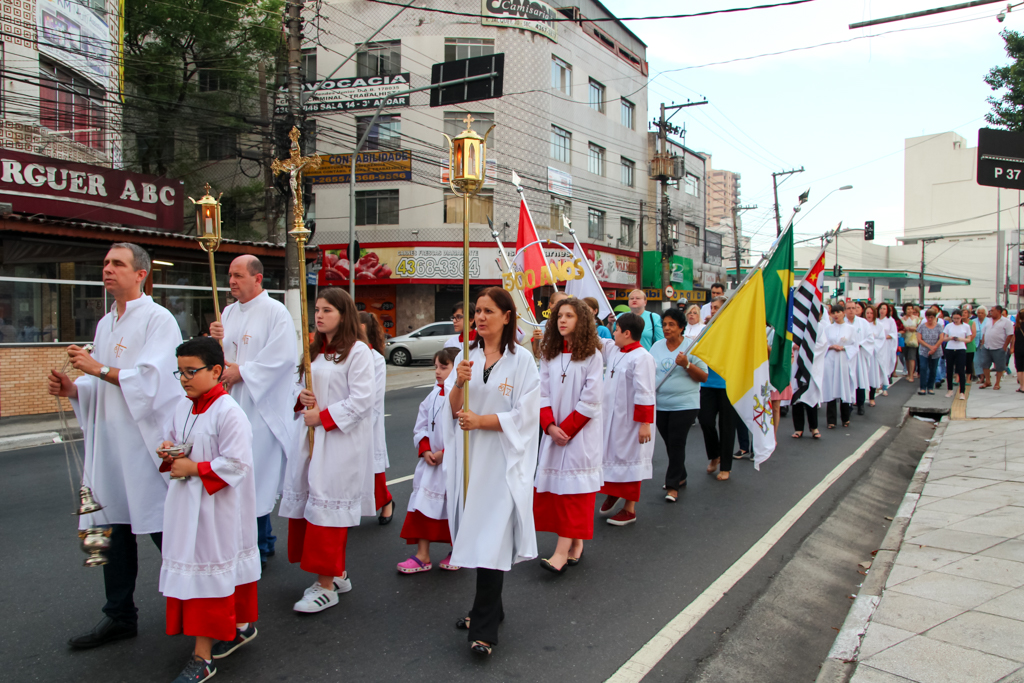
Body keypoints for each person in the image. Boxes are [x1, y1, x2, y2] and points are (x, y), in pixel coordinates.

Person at [48, 243, 184, 649]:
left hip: (143, 444)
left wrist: (98, 367)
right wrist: (75, 388)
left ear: (141, 274)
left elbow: (153, 381)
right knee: (113, 530)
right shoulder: (106, 323)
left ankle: (199, 606)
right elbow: (101, 382)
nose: (107, 269)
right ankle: (120, 614)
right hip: (109, 444)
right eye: (106, 263)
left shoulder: (159, 320)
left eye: (118, 264)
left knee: (165, 530)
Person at [443, 287, 540, 656]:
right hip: (472, 461)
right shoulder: (466, 357)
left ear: (506, 316)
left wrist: (482, 421)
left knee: (493, 540)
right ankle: (491, 610)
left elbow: (526, 416)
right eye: (477, 311)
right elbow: (453, 409)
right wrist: (458, 382)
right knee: (478, 534)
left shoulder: (522, 361)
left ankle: (483, 630)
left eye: (488, 311)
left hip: (502, 461)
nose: (480, 317)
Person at [158, 337, 258, 683]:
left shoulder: (229, 412)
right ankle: (240, 627)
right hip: (187, 503)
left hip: (217, 509)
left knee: (208, 575)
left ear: (216, 371)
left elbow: (237, 464)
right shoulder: (183, 406)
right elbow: (176, 439)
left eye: (191, 371)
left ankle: (203, 658)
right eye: (180, 372)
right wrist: (169, 450)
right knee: (213, 570)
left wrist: (195, 468)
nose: (184, 379)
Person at [280, 288, 375, 614]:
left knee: (327, 511)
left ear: (343, 314)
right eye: (317, 310)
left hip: (338, 443)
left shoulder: (357, 352)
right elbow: (297, 387)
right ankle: (337, 573)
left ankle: (325, 586)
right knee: (311, 504)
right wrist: (301, 397)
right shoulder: (315, 351)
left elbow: (362, 400)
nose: (319, 316)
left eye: (327, 310)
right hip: (311, 440)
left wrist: (321, 417)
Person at [209, 255, 298, 569]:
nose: (231, 281)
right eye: (230, 276)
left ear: (257, 279)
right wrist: (215, 341)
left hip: (260, 407)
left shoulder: (276, 312)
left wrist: (243, 372)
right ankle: (244, 540)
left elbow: (284, 358)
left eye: (238, 275)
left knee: (254, 474)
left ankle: (260, 543)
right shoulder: (228, 312)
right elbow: (223, 355)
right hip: (230, 401)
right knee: (234, 471)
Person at [534, 297, 604, 572]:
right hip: (554, 433)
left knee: (574, 494)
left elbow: (591, 399)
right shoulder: (549, 353)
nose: (562, 320)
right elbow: (541, 393)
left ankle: (561, 554)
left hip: (580, 435)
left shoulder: (593, 355)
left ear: (582, 320)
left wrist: (567, 430)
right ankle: (576, 544)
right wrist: (550, 427)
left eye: (569, 316)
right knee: (560, 493)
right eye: (559, 316)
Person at [398, 347, 461, 573]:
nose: (437, 372)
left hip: (452, 464)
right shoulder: (432, 396)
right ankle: (422, 555)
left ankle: (458, 551)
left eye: (444, 367)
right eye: (436, 367)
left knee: (454, 509)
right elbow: (421, 425)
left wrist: (445, 452)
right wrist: (425, 449)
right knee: (423, 508)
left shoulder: (464, 398)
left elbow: (464, 433)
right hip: (430, 464)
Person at [597, 312, 656, 521]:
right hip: (611, 418)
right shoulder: (615, 349)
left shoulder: (642, 357)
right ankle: (614, 492)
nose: (613, 333)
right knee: (611, 455)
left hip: (631, 421)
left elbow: (645, 391)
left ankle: (629, 509)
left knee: (631, 459)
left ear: (627, 333)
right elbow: (597, 341)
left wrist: (645, 423)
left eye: (617, 329)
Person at [651, 307, 708, 501]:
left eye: (672, 325)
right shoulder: (656, 346)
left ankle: (672, 485)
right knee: (670, 443)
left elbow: (704, 376)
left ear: (681, 327)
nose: (667, 328)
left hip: (685, 405)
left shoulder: (692, 347)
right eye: (664, 325)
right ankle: (681, 475)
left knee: (676, 442)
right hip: (661, 404)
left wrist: (687, 365)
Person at [359, 312, 394, 524]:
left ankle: (386, 500)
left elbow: (375, 397)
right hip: (346, 420)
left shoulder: (376, 359)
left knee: (372, 468)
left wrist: (360, 424)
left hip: (367, 421)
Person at [698, 296, 737, 480]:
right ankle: (714, 455)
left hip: (728, 384)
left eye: (717, 308)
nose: (713, 311)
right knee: (705, 421)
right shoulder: (707, 329)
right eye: (712, 307)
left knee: (727, 426)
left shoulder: (734, 329)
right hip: (708, 383)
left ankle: (726, 467)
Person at [792, 306, 829, 439]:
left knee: (811, 397)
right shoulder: (796, 326)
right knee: (797, 397)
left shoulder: (818, 327)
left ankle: (814, 427)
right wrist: (793, 346)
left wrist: (803, 348)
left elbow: (822, 345)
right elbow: (789, 341)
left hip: (811, 367)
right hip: (796, 365)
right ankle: (798, 428)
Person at [822, 303, 855, 428]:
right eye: (833, 313)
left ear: (843, 313)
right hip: (830, 359)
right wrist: (831, 346)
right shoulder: (828, 329)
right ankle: (831, 420)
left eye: (838, 312)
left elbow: (855, 345)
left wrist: (844, 348)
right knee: (830, 387)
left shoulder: (850, 329)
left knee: (843, 386)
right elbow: (823, 344)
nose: (836, 315)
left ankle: (845, 417)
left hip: (843, 359)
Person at [978, 305, 1014, 390]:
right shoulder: (988, 320)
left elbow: (1010, 335)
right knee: (985, 364)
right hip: (987, 346)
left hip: (999, 347)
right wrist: (983, 343)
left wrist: (1005, 346)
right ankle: (988, 381)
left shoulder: (1006, 321)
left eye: (992, 310)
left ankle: (997, 383)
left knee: (999, 366)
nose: (990, 312)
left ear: (998, 311)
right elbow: (984, 332)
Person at [846, 301, 871, 415]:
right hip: (847, 355)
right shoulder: (843, 323)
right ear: (845, 310)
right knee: (848, 380)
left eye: (853, 308)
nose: (851, 310)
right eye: (849, 308)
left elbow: (870, 338)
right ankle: (848, 404)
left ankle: (860, 404)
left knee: (860, 378)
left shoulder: (863, 323)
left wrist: (860, 344)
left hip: (859, 354)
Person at [941, 309, 972, 400]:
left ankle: (962, 392)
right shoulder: (949, 326)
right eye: (954, 318)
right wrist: (950, 338)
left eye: (958, 318)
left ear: (961, 317)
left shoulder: (966, 326)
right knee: (949, 370)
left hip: (961, 348)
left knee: (961, 370)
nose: (956, 320)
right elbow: (944, 338)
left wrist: (960, 339)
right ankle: (950, 389)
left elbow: (969, 339)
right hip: (950, 348)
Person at [862, 304, 886, 407]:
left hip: (873, 354)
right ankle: (859, 398)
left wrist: (871, 345)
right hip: (863, 353)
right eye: (867, 313)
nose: (869, 315)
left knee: (872, 376)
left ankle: (871, 398)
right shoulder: (862, 324)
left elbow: (881, 339)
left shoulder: (879, 326)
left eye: (871, 313)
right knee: (862, 375)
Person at [917, 309, 943, 396]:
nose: (930, 319)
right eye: (928, 317)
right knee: (923, 367)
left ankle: (930, 387)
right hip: (924, 350)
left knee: (933, 369)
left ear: (935, 317)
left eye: (932, 317)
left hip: (936, 350)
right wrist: (929, 347)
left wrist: (934, 348)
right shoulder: (922, 326)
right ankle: (923, 387)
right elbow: (919, 339)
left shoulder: (939, 326)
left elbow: (941, 338)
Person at [877, 302, 899, 389]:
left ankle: (884, 384)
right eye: (881, 308)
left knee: (885, 364)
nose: (882, 310)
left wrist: (884, 337)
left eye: (884, 309)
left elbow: (893, 334)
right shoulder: (876, 320)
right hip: (877, 346)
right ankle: (877, 383)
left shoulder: (890, 321)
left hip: (886, 345)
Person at [902, 304, 920, 381]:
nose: (910, 310)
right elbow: (900, 328)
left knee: (912, 357)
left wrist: (914, 329)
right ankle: (909, 373)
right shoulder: (902, 319)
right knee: (906, 357)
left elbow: (920, 328)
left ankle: (911, 375)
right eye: (908, 309)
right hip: (904, 339)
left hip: (913, 339)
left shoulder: (916, 318)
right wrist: (905, 329)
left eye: (911, 309)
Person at [1014, 311, 1024, 393]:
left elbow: (1014, 339)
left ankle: (1022, 386)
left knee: (1019, 368)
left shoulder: (1016, 326)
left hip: (1018, 349)